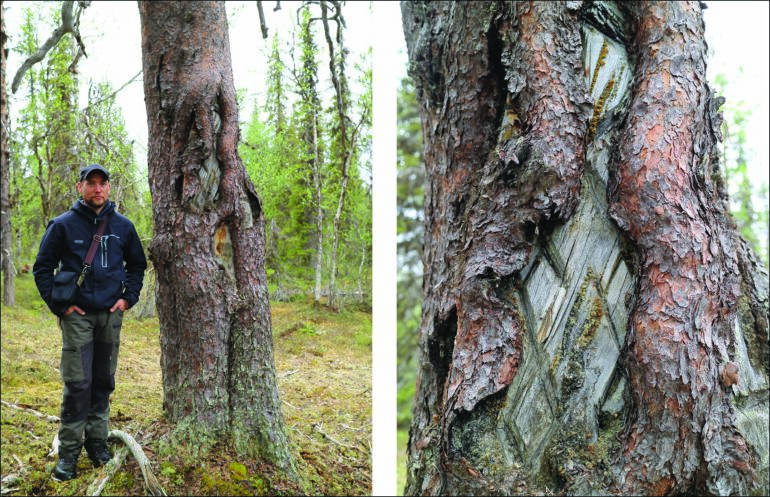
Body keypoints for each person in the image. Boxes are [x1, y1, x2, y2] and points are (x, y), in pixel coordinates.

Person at [33, 164, 147, 482]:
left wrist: (129, 298)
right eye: (91, 183)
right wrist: (62, 306)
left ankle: (97, 445)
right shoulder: (63, 225)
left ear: (109, 188)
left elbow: (138, 264)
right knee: (78, 384)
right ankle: (68, 454)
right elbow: (43, 267)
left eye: (102, 183)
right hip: (78, 318)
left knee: (102, 382)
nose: (97, 189)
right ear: (79, 187)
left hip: (110, 317)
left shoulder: (123, 226)